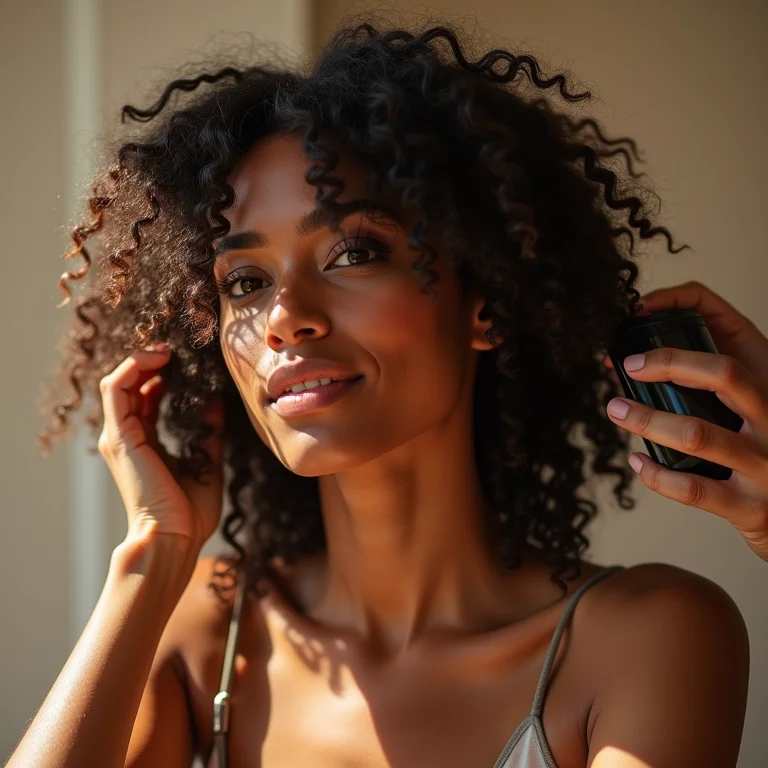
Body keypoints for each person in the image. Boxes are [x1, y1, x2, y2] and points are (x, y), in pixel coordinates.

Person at [9, 15, 766, 768]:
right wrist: (153, 556)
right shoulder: (198, 633)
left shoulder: (648, 639)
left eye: (353, 252)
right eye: (244, 281)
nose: (284, 319)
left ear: (487, 302)